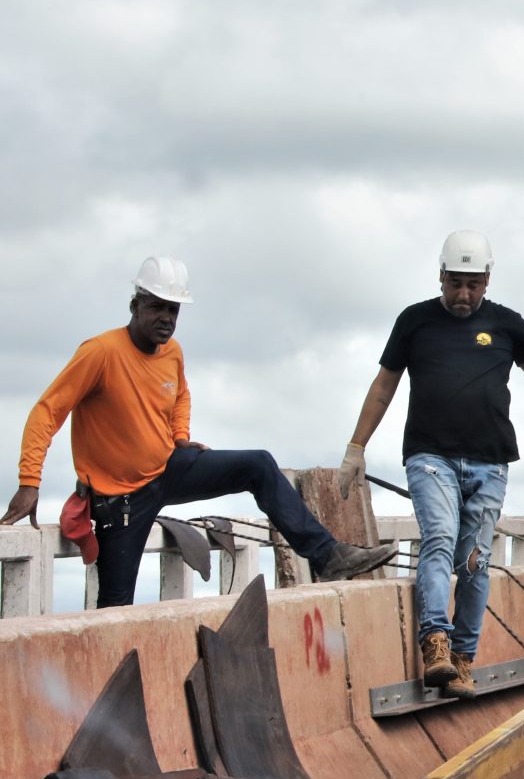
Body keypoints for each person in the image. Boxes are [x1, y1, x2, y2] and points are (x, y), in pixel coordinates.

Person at [3, 257, 397, 606]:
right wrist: (29, 482)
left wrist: (180, 437)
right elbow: (46, 412)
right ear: (136, 305)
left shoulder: (171, 352)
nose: (166, 318)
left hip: (167, 468)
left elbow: (180, 395)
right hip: (121, 499)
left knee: (258, 464)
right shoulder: (101, 352)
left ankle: (327, 556)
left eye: (173, 310)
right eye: (157, 307)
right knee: (116, 607)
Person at [337, 231, 524, 698]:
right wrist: (356, 447)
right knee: (439, 537)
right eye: (456, 284)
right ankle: (435, 644)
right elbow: (384, 386)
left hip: (490, 462)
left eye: (473, 285)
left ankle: (463, 660)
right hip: (430, 456)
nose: (464, 295)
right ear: (440, 276)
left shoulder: (506, 324)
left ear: (488, 280)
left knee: (473, 561)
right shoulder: (414, 321)